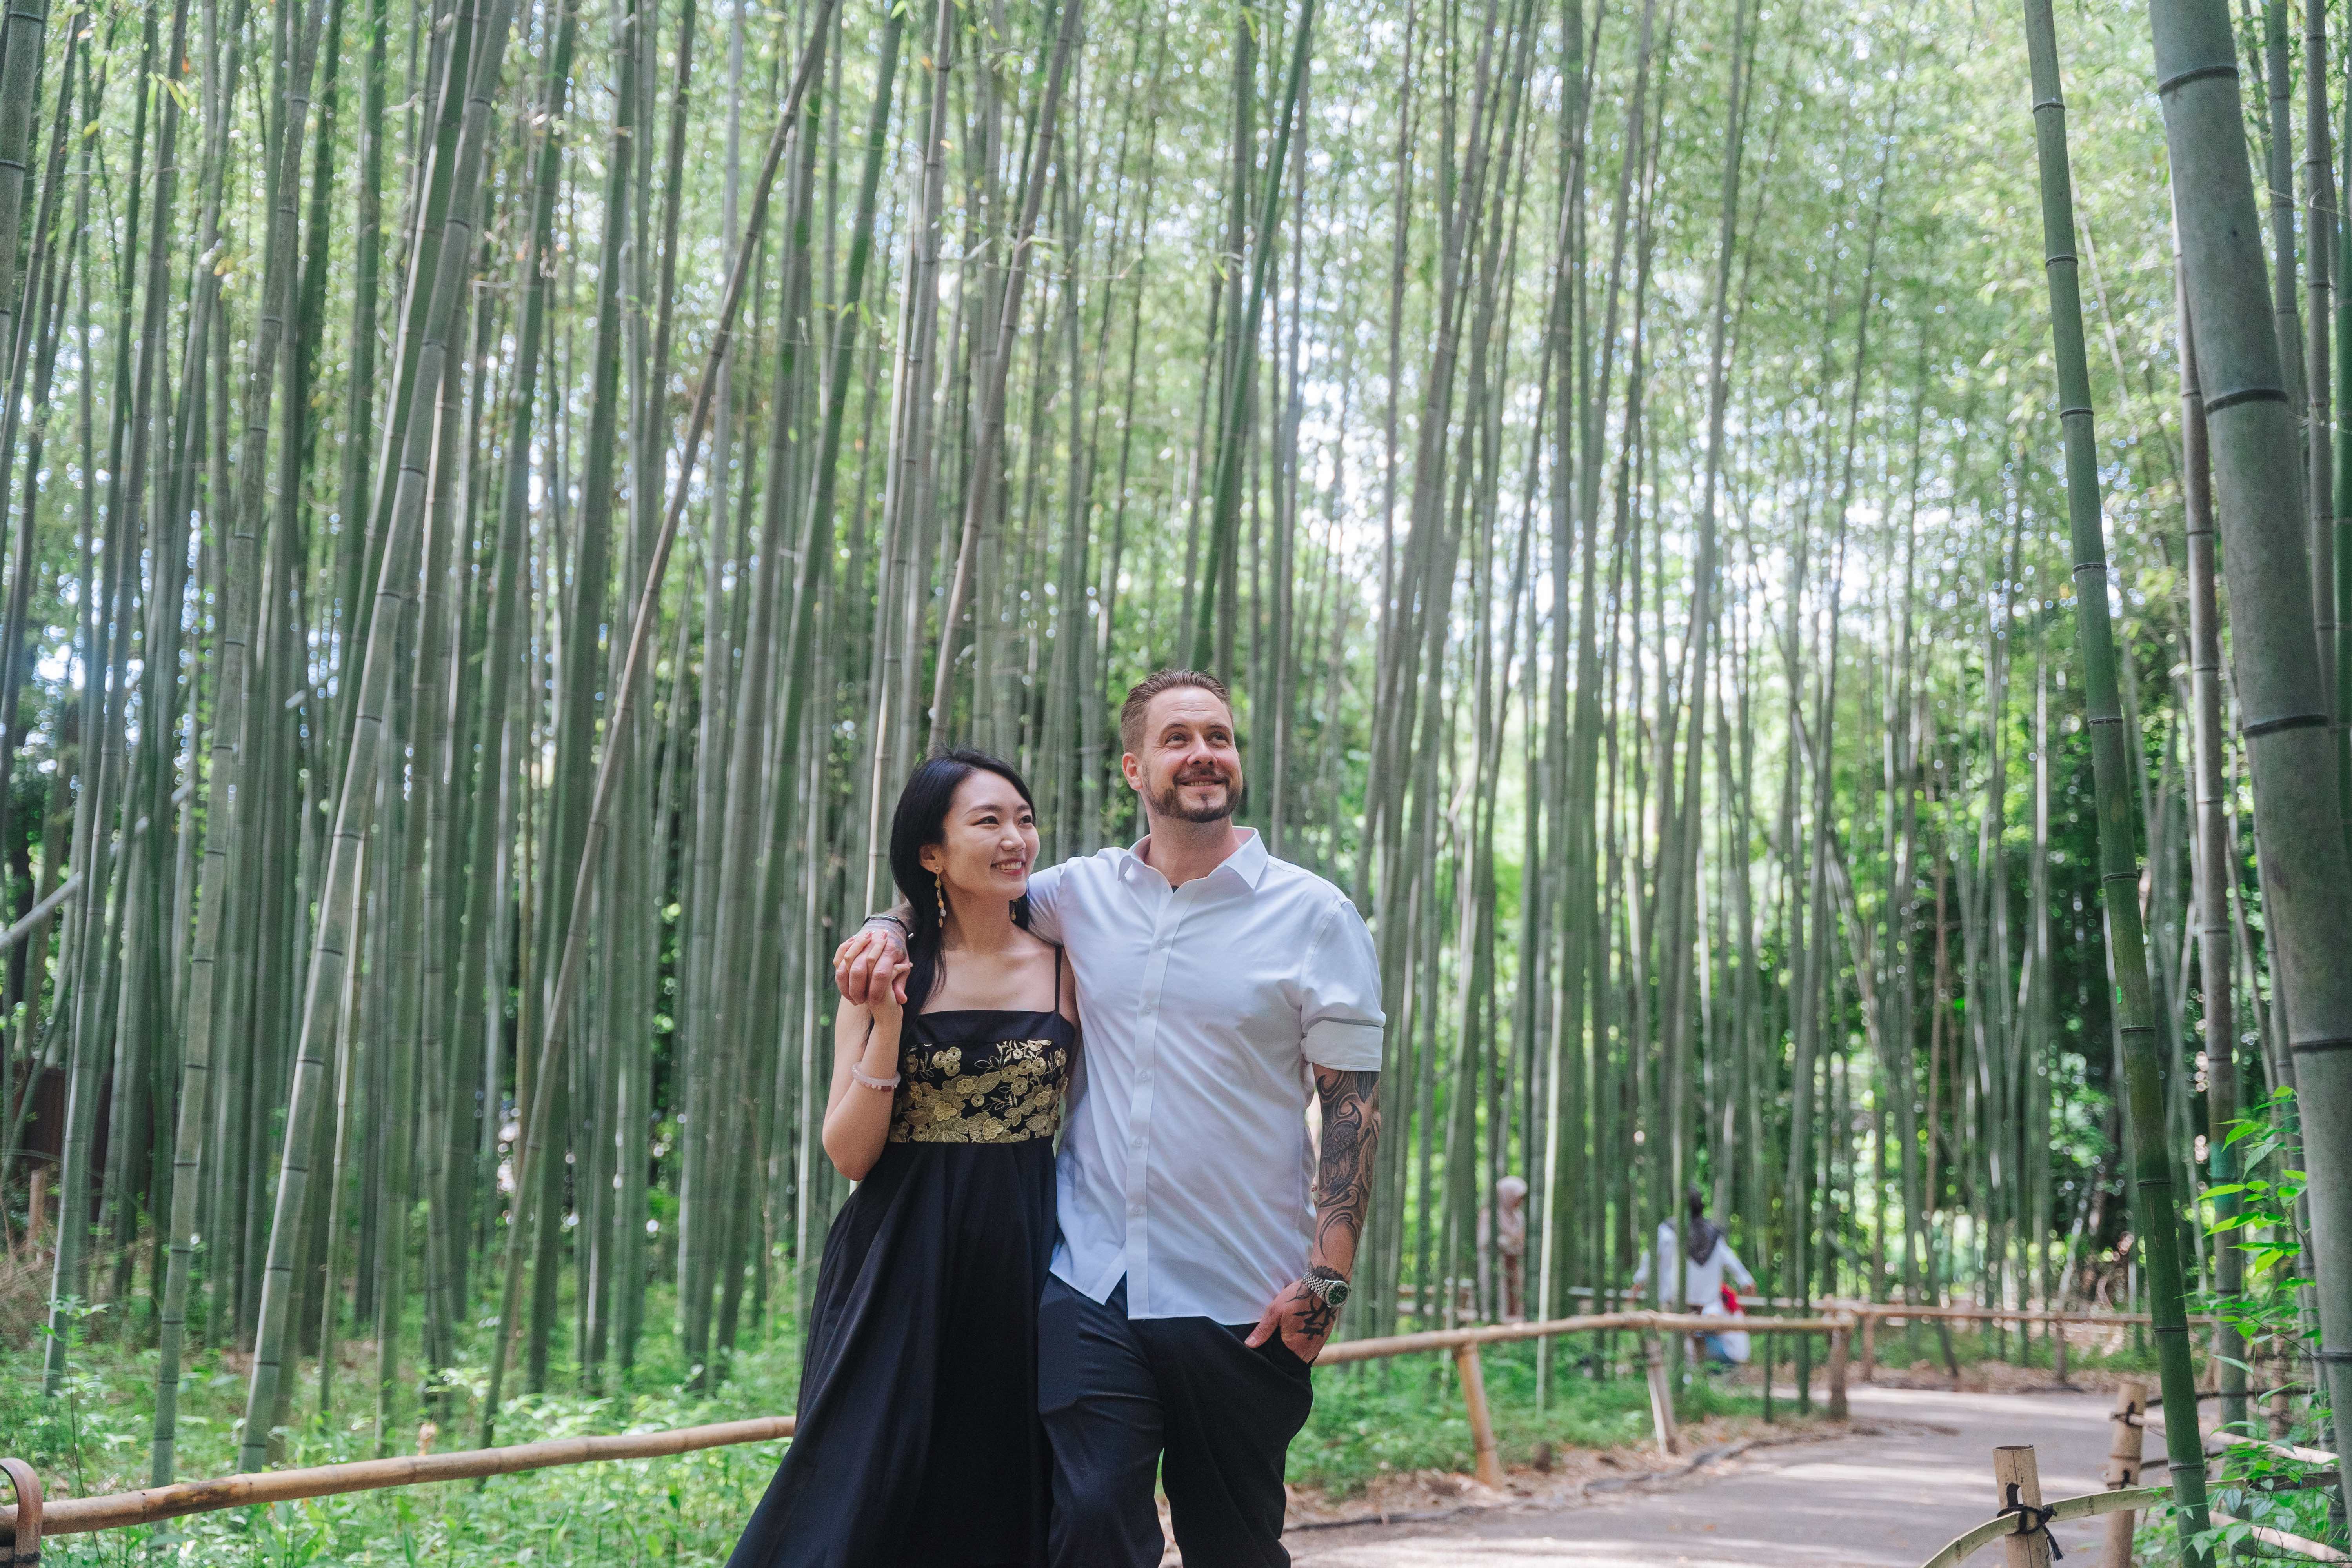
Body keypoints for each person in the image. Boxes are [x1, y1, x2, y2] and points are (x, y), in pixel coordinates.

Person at [834, 669, 1385, 1568]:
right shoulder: (1076, 894)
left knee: (1233, 1545)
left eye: (1217, 735)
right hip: (1090, 1282)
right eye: (1177, 737)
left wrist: (1325, 1282)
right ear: (1135, 767)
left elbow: (1351, 1107)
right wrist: (886, 929)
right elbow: (960, 895)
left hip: (1239, 1292)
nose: (1202, 753)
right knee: (1087, 1522)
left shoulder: (1315, 915)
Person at [726, 750, 1076, 1568]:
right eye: (987, 821)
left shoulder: (1068, 966)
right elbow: (849, 1154)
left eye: (1023, 819)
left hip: (1021, 1248)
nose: (1015, 838)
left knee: (993, 1476)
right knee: (860, 1473)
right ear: (930, 852)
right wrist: (887, 1025)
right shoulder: (883, 969)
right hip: (898, 1251)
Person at [1632, 1188, 1755, 1366]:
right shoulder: (1713, 1234)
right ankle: (1695, 1374)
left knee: (1684, 1337)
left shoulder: (1668, 1231)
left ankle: (1686, 1375)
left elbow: (1651, 1257)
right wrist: (1746, 1280)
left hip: (1678, 1298)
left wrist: (1639, 1282)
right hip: (1705, 1300)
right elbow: (1730, 1259)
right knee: (1695, 1337)